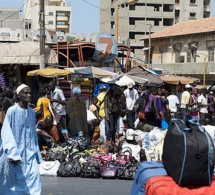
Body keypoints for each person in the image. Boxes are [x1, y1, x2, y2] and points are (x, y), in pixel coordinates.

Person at [0, 84, 42, 194]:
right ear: (18, 96)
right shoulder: (12, 111)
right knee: (15, 183)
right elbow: (6, 132)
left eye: (30, 93)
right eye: (25, 93)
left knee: (34, 176)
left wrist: (37, 152)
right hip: (15, 154)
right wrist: (12, 153)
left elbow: (32, 134)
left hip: (30, 153)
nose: (29, 95)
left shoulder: (32, 112)